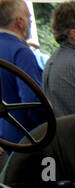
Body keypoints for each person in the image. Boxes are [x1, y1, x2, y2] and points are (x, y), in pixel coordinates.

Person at [0, 0, 44, 145]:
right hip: (26, 136)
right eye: (29, 17)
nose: (30, 21)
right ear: (20, 22)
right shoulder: (21, 52)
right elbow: (32, 101)